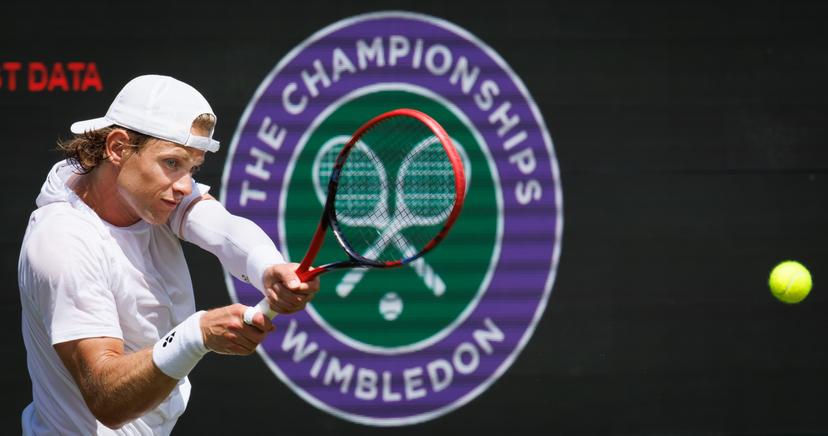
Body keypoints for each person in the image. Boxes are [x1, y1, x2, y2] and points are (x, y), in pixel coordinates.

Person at [17, 74, 320, 435]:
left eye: (193, 168)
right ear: (117, 147)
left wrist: (268, 268)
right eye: (172, 163)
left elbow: (222, 226)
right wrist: (197, 335)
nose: (184, 186)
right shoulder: (63, 240)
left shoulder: (144, 193)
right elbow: (107, 398)